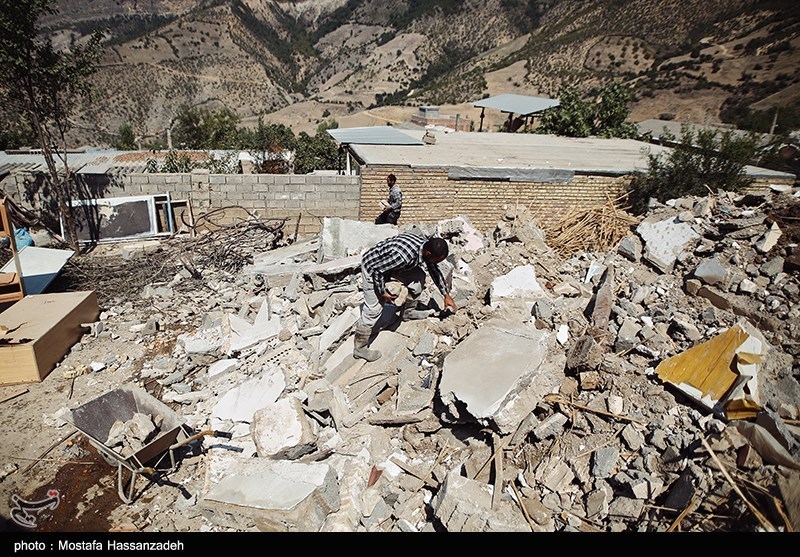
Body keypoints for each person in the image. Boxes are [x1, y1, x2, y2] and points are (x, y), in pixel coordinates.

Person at [353, 232, 458, 361]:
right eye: (436, 260)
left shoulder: (424, 247)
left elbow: (434, 270)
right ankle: (360, 348)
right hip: (372, 267)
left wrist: (445, 295)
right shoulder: (403, 257)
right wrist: (383, 292)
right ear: (428, 254)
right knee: (373, 310)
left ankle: (408, 313)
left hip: (391, 266)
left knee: (418, 278)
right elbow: (377, 270)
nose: (435, 263)